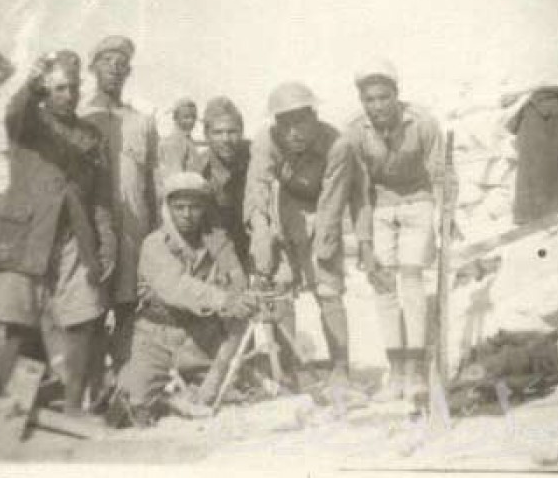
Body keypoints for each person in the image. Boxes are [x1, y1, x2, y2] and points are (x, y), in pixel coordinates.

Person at [0, 51, 116, 415]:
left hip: (74, 236)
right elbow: (15, 111)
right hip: (26, 235)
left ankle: (73, 406)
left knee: (83, 317)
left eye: (73, 87)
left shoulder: (91, 135)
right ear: (46, 90)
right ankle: (0, 408)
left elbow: (100, 196)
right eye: (59, 88)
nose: (68, 95)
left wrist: (106, 241)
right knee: (16, 322)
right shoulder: (30, 123)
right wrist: (31, 82)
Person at [245, 81, 366, 405]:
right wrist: (261, 232)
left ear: (314, 116)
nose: (293, 132)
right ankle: (289, 367)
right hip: (284, 207)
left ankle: (340, 367)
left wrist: (322, 248)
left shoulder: (337, 144)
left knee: (327, 289)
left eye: (300, 121)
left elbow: (333, 202)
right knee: (281, 286)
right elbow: (257, 188)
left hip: (323, 207)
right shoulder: (265, 141)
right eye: (284, 123)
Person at [113, 171, 258, 426]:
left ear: (204, 209)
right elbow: (177, 287)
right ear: (168, 208)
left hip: (199, 338)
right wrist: (225, 300)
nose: (187, 214)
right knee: (131, 403)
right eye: (179, 207)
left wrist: (242, 297)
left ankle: (189, 392)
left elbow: (238, 284)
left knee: (238, 390)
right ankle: (168, 396)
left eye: (195, 207)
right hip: (155, 338)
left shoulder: (217, 243)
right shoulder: (154, 244)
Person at [347, 59, 451, 405]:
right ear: (362, 101)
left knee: (411, 279)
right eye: (370, 99)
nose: (377, 106)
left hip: (418, 201)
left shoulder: (422, 123)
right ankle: (396, 373)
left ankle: (417, 372)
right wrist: (364, 243)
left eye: (384, 97)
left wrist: (446, 213)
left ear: (397, 94)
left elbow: (440, 173)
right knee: (383, 285)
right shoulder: (356, 132)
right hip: (379, 207)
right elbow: (358, 192)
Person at [80, 36, 159, 383]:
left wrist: (155, 233)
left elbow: (152, 182)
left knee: (130, 304)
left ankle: (124, 382)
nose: (114, 68)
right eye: (106, 60)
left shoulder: (142, 122)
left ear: (128, 71)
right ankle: (94, 383)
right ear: (92, 67)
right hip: (90, 228)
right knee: (90, 304)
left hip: (133, 230)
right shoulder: (78, 117)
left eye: (121, 63)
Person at [159, 96, 250, 266]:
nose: (226, 139)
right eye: (218, 133)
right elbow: (212, 229)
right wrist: (233, 268)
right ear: (207, 135)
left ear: (241, 132)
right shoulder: (199, 171)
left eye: (232, 132)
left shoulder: (254, 157)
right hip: (218, 240)